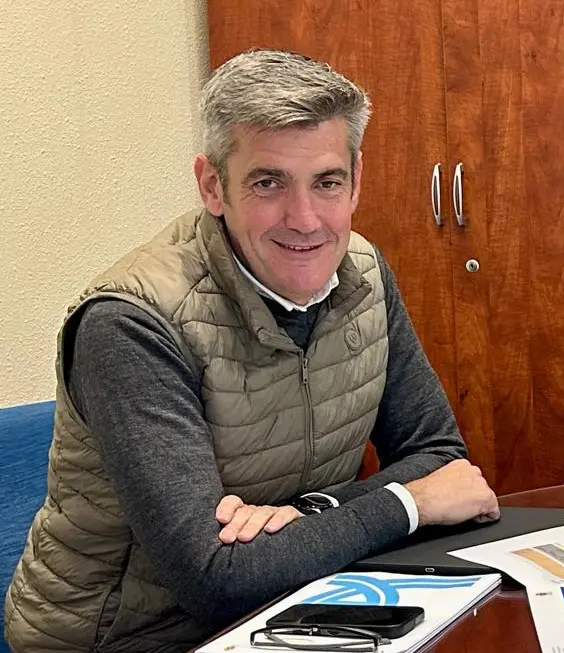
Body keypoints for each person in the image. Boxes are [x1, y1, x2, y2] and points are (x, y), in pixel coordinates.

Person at [3, 49, 501, 653]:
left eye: (327, 182)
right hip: (134, 636)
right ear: (213, 186)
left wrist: (314, 512)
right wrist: (406, 504)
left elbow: (438, 456)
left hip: (300, 598)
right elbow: (215, 578)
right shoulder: (129, 324)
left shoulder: (363, 271)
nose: (306, 220)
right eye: (268, 183)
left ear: (356, 180)